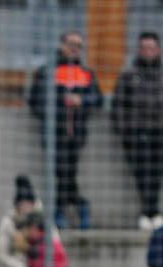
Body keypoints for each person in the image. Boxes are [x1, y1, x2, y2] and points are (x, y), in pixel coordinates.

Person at [28, 30, 103, 229]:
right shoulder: (47, 71)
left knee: (68, 173)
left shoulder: (85, 73)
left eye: (78, 45)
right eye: (71, 44)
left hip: (76, 134)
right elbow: (35, 101)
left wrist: (81, 101)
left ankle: (65, 209)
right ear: (61, 45)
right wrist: (59, 104)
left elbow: (98, 99)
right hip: (54, 133)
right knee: (60, 172)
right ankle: (72, 207)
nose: (74, 48)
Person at [112, 32, 163, 231]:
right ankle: (149, 211)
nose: (148, 52)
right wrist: (124, 129)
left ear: (158, 50)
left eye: (151, 48)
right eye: (144, 48)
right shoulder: (128, 74)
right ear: (139, 50)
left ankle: (149, 211)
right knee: (141, 172)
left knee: (157, 172)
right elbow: (118, 103)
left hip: (161, 132)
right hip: (136, 133)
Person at [0, 175, 40, 267]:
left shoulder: (42, 220)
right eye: (23, 204)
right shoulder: (7, 223)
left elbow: (55, 244)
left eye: (29, 203)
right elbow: (1, 255)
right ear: (17, 205)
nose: (26, 207)